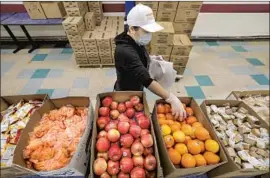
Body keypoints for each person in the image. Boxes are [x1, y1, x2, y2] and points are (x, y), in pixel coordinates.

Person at [114, 4, 186, 120]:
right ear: (132, 29)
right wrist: (170, 98)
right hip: (127, 92)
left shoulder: (133, 39)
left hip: (137, 85)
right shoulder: (124, 51)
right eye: (146, 31)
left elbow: (136, 57)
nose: (149, 35)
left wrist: (149, 59)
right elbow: (146, 80)